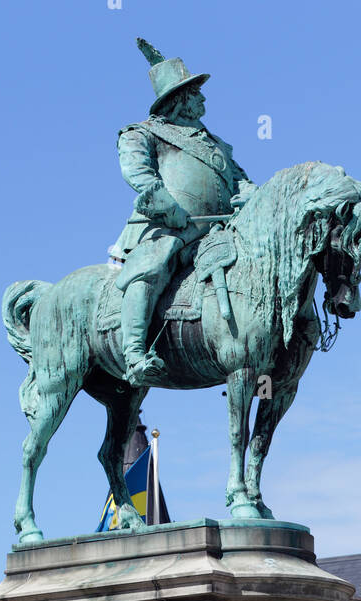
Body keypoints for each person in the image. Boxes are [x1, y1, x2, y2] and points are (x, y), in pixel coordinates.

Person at [107, 38, 257, 385]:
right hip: (167, 228)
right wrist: (168, 208)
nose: (203, 98)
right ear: (179, 100)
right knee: (152, 267)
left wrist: (253, 197)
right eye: (195, 92)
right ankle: (134, 354)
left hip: (217, 231)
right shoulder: (141, 133)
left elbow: (241, 180)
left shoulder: (216, 144)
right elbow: (138, 174)